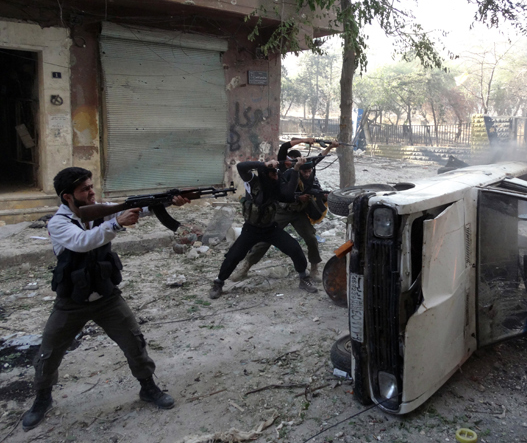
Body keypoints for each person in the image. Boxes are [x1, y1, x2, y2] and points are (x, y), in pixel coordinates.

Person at [22, 167, 189, 432]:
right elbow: (82, 242)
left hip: (106, 294)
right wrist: (117, 223)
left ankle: (148, 388)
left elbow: (138, 209)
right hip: (72, 301)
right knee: (49, 353)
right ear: (67, 197)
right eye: (84, 190)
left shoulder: (99, 209)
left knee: (134, 342)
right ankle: (42, 399)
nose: (91, 192)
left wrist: (167, 201)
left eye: (91, 186)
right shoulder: (58, 223)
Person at [231, 139, 339, 283]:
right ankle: (245, 267)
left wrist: (330, 147)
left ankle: (314, 269)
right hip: (282, 211)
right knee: (264, 241)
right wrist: (298, 197)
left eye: (309, 171)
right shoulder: (284, 172)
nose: (307, 174)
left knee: (311, 238)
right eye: (304, 171)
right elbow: (283, 194)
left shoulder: (308, 171)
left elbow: (319, 157)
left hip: (298, 212)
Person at [209, 158, 316, 299]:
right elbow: (241, 166)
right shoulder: (252, 182)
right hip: (251, 230)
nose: (276, 177)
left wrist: (296, 169)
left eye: (277, 174)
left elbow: (289, 194)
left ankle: (303, 279)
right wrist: (264, 164)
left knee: (295, 248)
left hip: (270, 228)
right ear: (265, 173)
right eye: (273, 174)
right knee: (234, 256)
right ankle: (218, 283)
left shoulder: (276, 186)